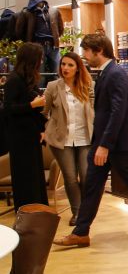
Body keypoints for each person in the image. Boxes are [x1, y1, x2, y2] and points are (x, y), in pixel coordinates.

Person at [54, 34, 128, 247]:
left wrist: (105, 145)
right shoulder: (106, 73)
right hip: (105, 142)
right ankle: (81, 232)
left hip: (118, 143)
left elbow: (118, 112)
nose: (84, 56)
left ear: (99, 51)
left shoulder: (115, 74)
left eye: (87, 51)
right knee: (92, 186)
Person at [43, 52, 94, 226]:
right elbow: (44, 112)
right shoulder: (53, 86)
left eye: (70, 65)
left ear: (78, 68)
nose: (65, 68)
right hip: (61, 140)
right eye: (63, 64)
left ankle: (87, 211)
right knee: (70, 178)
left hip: (84, 138)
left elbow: (95, 110)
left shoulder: (89, 86)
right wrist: (47, 130)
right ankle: (77, 213)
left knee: (86, 176)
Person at [2, 42, 48, 211]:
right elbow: (8, 109)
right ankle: (27, 212)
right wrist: (32, 105)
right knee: (25, 177)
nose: (41, 61)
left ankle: (38, 211)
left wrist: (42, 129)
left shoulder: (29, 79)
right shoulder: (14, 80)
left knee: (35, 175)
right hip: (19, 137)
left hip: (31, 135)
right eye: (39, 58)